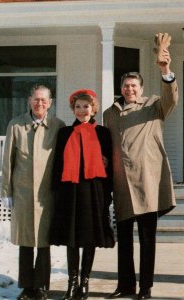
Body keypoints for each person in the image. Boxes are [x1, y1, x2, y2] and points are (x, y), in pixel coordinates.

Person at [103, 34, 178, 299]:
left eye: (134, 85)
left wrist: (166, 70)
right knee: (124, 240)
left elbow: (171, 97)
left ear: (141, 88)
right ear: (121, 88)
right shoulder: (109, 113)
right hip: (122, 184)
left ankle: (145, 288)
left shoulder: (155, 106)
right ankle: (126, 286)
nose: (130, 89)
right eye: (126, 85)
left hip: (147, 182)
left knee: (147, 239)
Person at [1, 85, 65, 300]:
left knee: (44, 243)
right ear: (29, 100)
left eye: (44, 100)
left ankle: (41, 287)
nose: (40, 103)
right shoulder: (16, 125)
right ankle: (27, 287)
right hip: (23, 193)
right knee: (26, 242)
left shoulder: (58, 126)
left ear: (51, 102)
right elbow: (8, 161)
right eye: (36, 99)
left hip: (47, 194)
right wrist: (6, 191)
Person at [50, 89, 115, 300]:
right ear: (73, 109)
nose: (81, 110)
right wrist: (56, 191)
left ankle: (84, 282)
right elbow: (57, 164)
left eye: (85, 106)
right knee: (72, 239)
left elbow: (110, 164)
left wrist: (108, 191)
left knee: (88, 237)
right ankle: (72, 282)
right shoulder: (64, 133)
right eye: (77, 106)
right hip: (70, 190)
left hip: (93, 189)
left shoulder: (103, 133)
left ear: (93, 108)